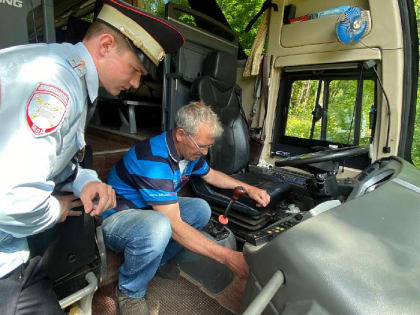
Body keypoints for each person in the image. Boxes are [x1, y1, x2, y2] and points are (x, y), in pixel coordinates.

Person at [0, 0, 184, 314]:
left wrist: (85, 180)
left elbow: (56, 156)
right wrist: (54, 209)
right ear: (106, 44)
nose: (136, 84)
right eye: (135, 70)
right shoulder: (55, 84)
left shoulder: (64, 71)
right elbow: (12, 197)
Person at [103, 101, 271, 314]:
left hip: (149, 210)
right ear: (181, 134)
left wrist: (248, 188)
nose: (205, 152)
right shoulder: (153, 159)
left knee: (201, 209)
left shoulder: (189, 154)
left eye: (209, 146)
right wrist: (229, 257)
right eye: (202, 146)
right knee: (160, 226)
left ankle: (158, 262)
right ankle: (130, 290)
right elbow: (173, 226)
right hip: (118, 218)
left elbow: (211, 175)